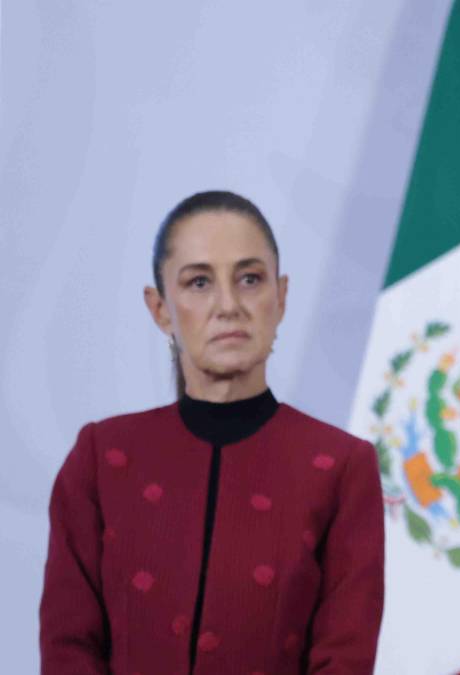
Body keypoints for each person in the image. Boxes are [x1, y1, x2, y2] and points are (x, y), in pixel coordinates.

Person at [40, 191, 385, 674]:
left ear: (281, 297)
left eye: (250, 279)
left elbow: (344, 657)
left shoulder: (340, 467)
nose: (228, 305)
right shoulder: (102, 458)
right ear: (160, 308)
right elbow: (68, 647)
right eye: (199, 282)